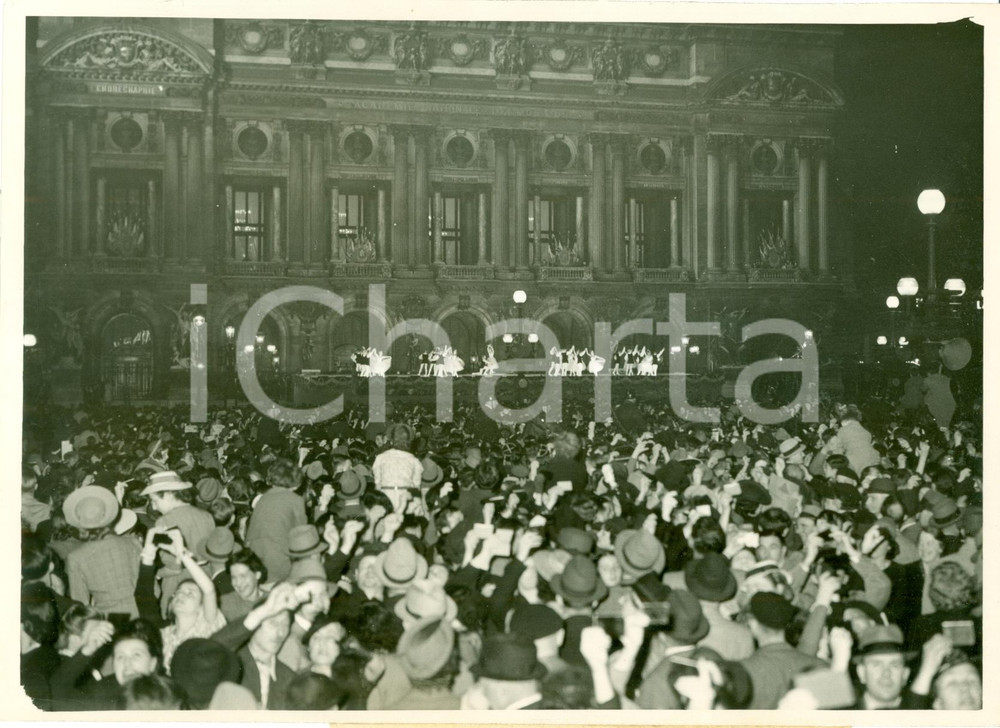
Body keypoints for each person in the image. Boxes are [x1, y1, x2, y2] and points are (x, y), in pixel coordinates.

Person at [63, 485, 141, 618]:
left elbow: (81, 603)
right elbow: (152, 589)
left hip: (107, 621)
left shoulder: (76, 557)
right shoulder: (133, 542)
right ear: (108, 517)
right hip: (141, 613)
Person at [245, 459, 308, 584]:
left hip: (255, 558)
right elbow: (302, 536)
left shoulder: (263, 498)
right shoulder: (295, 500)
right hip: (279, 560)